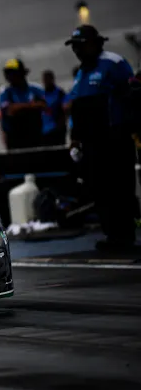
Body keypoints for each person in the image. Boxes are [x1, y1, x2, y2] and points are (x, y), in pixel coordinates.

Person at [65, 24, 137, 251]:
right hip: (92, 142)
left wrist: (130, 126)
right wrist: (74, 136)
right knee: (99, 188)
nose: (77, 50)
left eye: (80, 45)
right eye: (74, 47)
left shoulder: (113, 63)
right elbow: (77, 107)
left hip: (115, 137)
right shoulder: (81, 73)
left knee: (120, 187)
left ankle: (125, 235)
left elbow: (132, 96)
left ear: (95, 43)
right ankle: (112, 235)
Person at [0, 59, 47, 150]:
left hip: (35, 135)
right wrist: (31, 106)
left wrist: (20, 107)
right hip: (15, 138)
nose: (9, 76)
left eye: (12, 73)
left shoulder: (35, 89)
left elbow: (44, 106)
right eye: (7, 73)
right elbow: (10, 110)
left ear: (22, 73)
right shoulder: (5, 92)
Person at [40, 70, 67, 146]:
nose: (46, 81)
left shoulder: (59, 92)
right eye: (45, 79)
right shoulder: (42, 94)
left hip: (57, 130)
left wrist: (60, 126)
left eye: (48, 79)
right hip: (45, 131)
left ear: (52, 79)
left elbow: (65, 108)